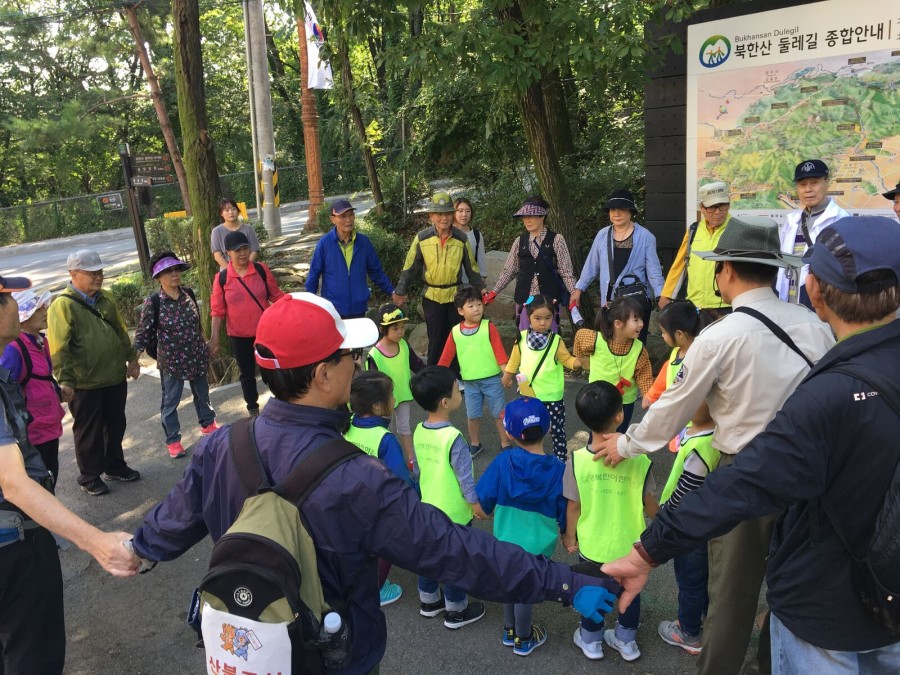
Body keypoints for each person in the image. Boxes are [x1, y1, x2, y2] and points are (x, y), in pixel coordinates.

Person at [129, 293, 620, 673]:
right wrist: (563, 582)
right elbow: (452, 550)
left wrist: (131, 547)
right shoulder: (358, 478)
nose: (358, 363)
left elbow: (164, 530)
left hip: (252, 645)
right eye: (350, 355)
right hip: (338, 655)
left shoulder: (221, 446)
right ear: (323, 375)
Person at [602, 215, 900, 673]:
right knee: (796, 573)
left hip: (745, 472)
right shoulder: (814, 325)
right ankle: (770, 661)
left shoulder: (718, 336)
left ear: (725, 270)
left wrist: (627, 445)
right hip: (819, 475)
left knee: (732, 594)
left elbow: (672, 409)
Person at [0, 272, 139, 675]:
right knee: (32, 656)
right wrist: (96, 542)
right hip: (14, 546)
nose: (18, 307)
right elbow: (12, 482)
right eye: (9, 298)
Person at [562, 381, 658, 662]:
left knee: (592, 591)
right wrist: (664, 528)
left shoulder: (577, 460)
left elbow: (574, 505)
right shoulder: (639, 460)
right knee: (631, 592)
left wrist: (570, 535)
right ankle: (626, 641)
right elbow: (649, 503)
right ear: (619, 415)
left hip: (593, 545)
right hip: (632, 545)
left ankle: (591, 639)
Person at [476, 397, 566, 657]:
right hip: (538, 544)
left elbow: (483, 501)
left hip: (505, 541)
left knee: (508, 582)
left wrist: (481, 511)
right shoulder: (559, 469)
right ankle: (524, 638)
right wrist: (567, 533)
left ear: (509, 433)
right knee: (525, 589)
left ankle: (509, 629)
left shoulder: (503, 462)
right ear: (548, 428)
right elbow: (566, 508)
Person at [47, 250, 141, 496]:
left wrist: (132, 358)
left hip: (114, 377)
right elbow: (59, 348)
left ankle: (115, 466)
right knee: (89, 431)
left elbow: (120, 330)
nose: (98, 277)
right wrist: (65, 381)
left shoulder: (105, 298)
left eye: (99, 272)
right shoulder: (62, 306)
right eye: (91, 273)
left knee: (116, 424)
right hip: (85, 383)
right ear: (73, 274)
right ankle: (89, 476)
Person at [411, 365, 489, 627]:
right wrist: (476, 505)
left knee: (429, 555)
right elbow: (464, 478)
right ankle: (456, 610)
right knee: (455, 559)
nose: (461, 393)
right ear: (445, 402)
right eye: (458, 390)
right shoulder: (453, 437)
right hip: (454, 512)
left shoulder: (419, 430)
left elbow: (418, 470)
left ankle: (429, 601)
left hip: (428, 507)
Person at [133, 251, 217, 459]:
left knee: (203, 394)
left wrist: (206, 342)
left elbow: (196, 323)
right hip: (171, 361)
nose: (174, 274)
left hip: (196, 354)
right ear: (158, 277)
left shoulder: (188, 293)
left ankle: (208, 424)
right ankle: (173, 440)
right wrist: (133, 360)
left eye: (176, 269)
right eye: (168, 271)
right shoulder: (154, 302)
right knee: (171, 401)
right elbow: (143, 334)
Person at [392, 191, 484, 369]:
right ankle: (434, 375)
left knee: (456, 336)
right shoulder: (422, 238)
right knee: (435, 339)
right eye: (439, 214)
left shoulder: (461, 238)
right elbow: (410, 267)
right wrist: (400, 290)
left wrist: (481, 288)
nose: (444, 218)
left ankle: (456, 376)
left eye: (448, 213)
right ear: (431, 216)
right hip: (431, 296)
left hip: (455, 296)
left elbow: (472, 268)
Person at [656, 400, 718, 655]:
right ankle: (706, 620)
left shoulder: (704, 444)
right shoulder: (704, 430)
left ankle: (689, 632)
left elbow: (686, 489)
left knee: (690, 580)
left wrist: (665, 515)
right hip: (702, 522)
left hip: (687, 525)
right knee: (702, 578)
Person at [344, 370, 411, 607]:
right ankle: (378, 588)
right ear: (375, 405)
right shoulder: (385, 438)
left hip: (349, 497)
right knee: (384, 544)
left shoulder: (347, 425)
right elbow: (400, 479)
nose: (394, 399)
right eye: (391, 395)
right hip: (377, 505)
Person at [571, 188, 664, 343]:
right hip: (610, 301)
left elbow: (654, 272)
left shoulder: (646, 237)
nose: (616, 213)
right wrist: (579, 289)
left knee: (635, 346)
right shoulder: (602, 235)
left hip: (635, 302)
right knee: (610, 344)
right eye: (613, 209)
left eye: (622, 209)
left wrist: (661, 295)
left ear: (631, 211)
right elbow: (591, 265)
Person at [210, 230, 284, 417]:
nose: (242, 253)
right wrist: (214, 339)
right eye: (237, 250)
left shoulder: (261, 270)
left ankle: (282, 403)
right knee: (247, 373)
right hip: (238, 335)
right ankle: (253, 408)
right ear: (228, 253)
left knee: (271, 369)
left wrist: (294, 310)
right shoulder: (222, 278)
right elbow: (217, 311)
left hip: (265, 332)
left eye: (245, 248)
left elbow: (276, 296)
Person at [501, 295, 583, 461]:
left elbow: (567, 360)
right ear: (528, 317)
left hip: (552, 396)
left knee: (556, 431)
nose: (543, 323)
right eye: (537, 318)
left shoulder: (556, 340)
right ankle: (530, 458)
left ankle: (560, 461)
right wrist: (507, 376)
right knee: (528, 429)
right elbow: (514, 360)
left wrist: (580, 362)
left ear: (553, 317)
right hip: (528, 394)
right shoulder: (521, 338)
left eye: (548, 318)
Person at [484, 196, 577, 332]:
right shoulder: (519, 241)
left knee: (550, 337)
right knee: (524, 337)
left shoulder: (556, 240)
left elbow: (566, 272)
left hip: (548, 300)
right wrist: (494, 291)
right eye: (524, 217)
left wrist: (574, 292)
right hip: (524, 300)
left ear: (542, 216)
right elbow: (509, 271)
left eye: (531, 216)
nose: (527, 220)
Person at [1, 288, 67, 482]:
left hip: (47, 425)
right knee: (41, 481)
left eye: (42, 307)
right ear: (22, 318)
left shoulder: (39, 341)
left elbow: (41, 376)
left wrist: (57, 391)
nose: (45, 312)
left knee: (50, 477)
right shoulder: (14, 349)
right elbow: (8, 393)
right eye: (38, 309)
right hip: (33, 433)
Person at [437, 286, 510, 457]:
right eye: (471, 306)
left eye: (479, 304)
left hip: (492, 380)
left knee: (499, 414)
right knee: (472, 415)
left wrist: (506, 375)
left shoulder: (488, 327)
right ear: (460, 311)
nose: (476, 308)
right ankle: (475, 443)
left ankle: (505, 443)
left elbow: (500, 353)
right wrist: (437, 378)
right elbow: (445, 358)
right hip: (470, 383)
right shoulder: (455, 332)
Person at [776, 159, 850, 307]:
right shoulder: (792, 221)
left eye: (814, 183)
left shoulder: (841, 220)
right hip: (789, 301)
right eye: (802, 184)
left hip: (823, 302)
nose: (808, 190)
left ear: (826, 182)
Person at [572, 296, 653, 433]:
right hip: (597, 400)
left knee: (619, 435)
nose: (641, 324)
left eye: (641, 319)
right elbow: (579, 336)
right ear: (618, 324)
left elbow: (644, 374)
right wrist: (585, 363)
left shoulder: (639, 348)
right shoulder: (596, 339)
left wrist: (648, 394)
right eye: (636, 320)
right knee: (597, 434)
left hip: (624, 402)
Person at [305, 198, 395, 319]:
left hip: (359, 309)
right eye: (343, 216)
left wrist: (392, 291)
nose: (348, 220)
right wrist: (309, 304)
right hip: (333, 309)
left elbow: (376, 272)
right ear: (332, 219)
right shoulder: (325, 244)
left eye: (351, 215)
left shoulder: (364, 243)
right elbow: (314, 275)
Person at [658, 181, 733, 319]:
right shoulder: (694, 230)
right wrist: (667, 294)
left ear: (728, 204)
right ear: (702, 208)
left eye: (722, 205)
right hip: (695, 306)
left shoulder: (737, 229)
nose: (718, 212)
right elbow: (680, 264)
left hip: (727, 306)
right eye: (712, 207)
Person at [366, 303, 425, 472]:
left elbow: (417, 365)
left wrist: (430, 375)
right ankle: (390, 460)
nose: (401, 332)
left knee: (404, 426)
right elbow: (372, 380)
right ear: (382, 329)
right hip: (384, 399)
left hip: (403, 394)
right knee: (386, 429)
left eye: (402, 327)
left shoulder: (404, 345)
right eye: (395, 328)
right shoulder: (374, 354)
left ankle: (411, 459)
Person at [643, 300, 707, 413]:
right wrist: (651, 395)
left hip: (690, 417)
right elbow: (666, 374)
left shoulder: (697, 358)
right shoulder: (676, 351)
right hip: (676, 414)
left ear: (679, 334)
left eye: (663, 332)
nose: (662, 335)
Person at [210, 197, 260, 270]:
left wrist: (245, 268)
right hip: (227, 270)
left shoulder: (248, 228)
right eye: (227, 210)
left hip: (248, 268)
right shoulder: (217, 231)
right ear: (221, 213)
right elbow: (217, 256)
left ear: (238, 211)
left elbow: (254, 250)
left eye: (233, 209)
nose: (231, 212)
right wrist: (231, 271)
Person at [453, 197, 487, 286]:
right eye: (460, 211)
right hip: (451, 286)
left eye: (468, 211)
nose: (464, 214)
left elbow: (481, 261)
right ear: (453, 212)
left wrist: (481, 283)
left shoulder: (476, 234)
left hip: (470, 285)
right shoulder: (448, 233)